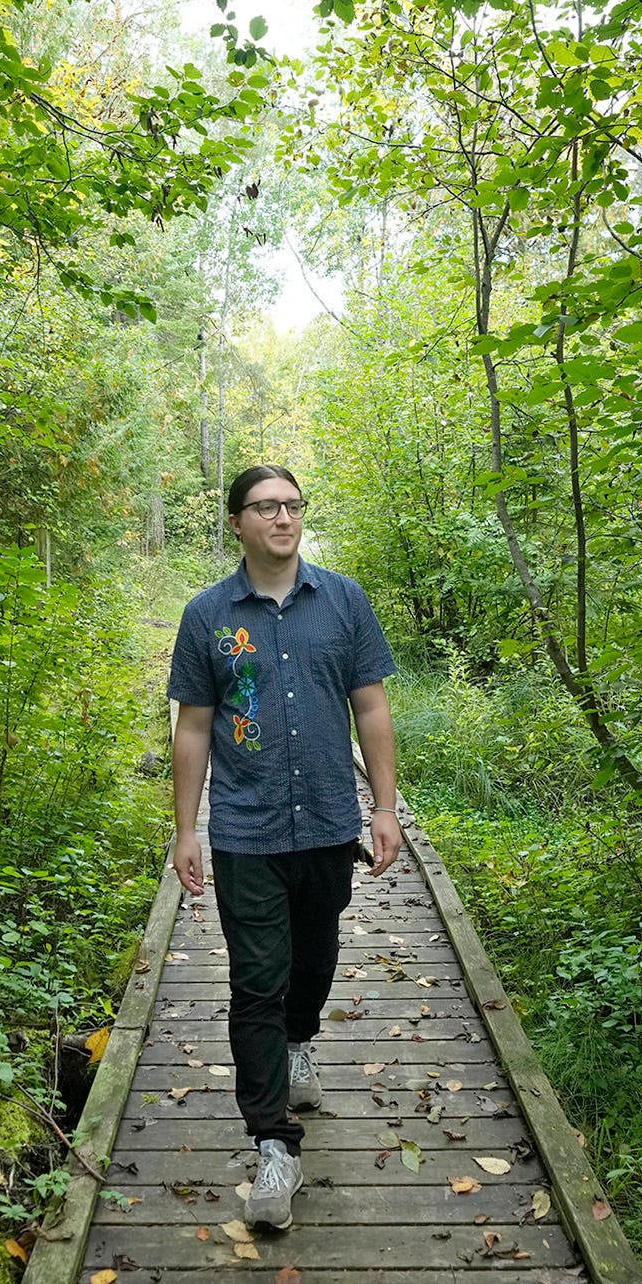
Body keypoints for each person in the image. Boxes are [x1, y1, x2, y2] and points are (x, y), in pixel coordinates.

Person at [166, 464, 401, 1231]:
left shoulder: (344, 601)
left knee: (315, 957)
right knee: (256, 982)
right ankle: (273, 1144)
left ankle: (302, 1039)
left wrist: (385, 809)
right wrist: (186, 828)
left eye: (292, 505)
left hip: (329, 820)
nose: (282, 518)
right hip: (246, 827)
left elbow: (371, 707)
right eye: (266, 507)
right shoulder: (207, 616)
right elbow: (193, 726)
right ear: (236, 522)